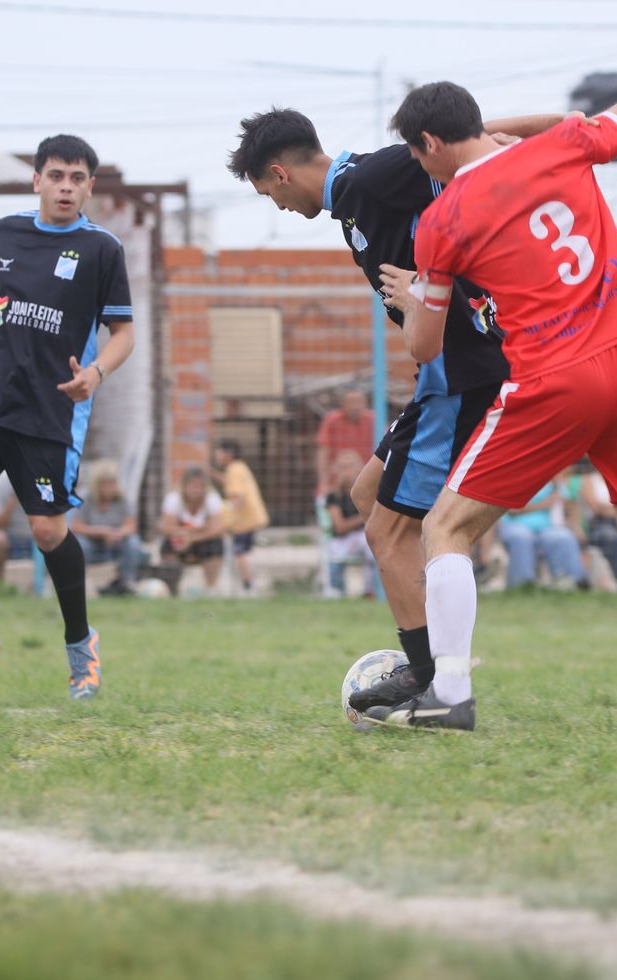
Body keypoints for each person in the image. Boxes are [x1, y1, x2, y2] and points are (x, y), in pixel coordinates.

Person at [376, 81, 617, 729]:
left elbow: (426, 344)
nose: (419, 169)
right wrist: (517, 127)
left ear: (433, 143)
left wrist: (414, 295)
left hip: (557, 377)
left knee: (445, 527)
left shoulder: (441, 220)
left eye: (418, 156)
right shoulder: (563, 146)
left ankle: (449, 693)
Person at [229, 105, 527, 708]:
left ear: (281, 173)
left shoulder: (367, 178)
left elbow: (475, 142)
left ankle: (432, 680)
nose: (277, 207)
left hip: (460, 377)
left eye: (268, 193)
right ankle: (440, 624)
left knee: (387, 532)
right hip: (438, 378)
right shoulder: (353, 204)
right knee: (368, 495)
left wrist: (566, 129)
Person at [0, 133, 134, 701]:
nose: (67, 187)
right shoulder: (5, 233)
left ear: (89, 187)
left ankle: (80, 647)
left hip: (52, 411)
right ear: (36, 179)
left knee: (46, 531)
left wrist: (96, 375)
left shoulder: (101, 250)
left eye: (79, 178)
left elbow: (124, 333)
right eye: (57, 175)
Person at [495, 480, 589, 590]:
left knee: (563, 536)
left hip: (548, 528)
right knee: (521, 537)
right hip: (515, 524)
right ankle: (522, 585)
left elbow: (570, 506)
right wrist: (542, 505)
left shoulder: (555, 484)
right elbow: (510, 509)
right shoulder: (515, 482)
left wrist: (575, 524)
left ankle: (572, 582)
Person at [70, 459, 145, 595]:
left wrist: (117, 533)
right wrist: (101, 532)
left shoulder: (123, 499)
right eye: (105, 484)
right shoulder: (85, 497)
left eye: (112, 483)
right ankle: (80, 583)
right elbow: (76, 526)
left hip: (116, 542)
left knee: (133, 542)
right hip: (91, 542)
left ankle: (127, 582)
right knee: (80, 544)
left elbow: (131, 525)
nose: (109, 488)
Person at [211, 440, 268, 596]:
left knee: (240, 553)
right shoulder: (238, 467)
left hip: (244, 520)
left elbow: (237, 496)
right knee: (244, 552)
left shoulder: (234, 470)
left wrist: (225, 516)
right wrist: (213, 474)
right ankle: (248, 584)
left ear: (228, 454)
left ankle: (248, 585)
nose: (216, 455)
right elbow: (229, 482)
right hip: (253, 517)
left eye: (219, 451)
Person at [159, 466, 228, 592]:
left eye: (200, 485)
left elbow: (219, 529)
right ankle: (171, 587)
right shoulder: (174, 498)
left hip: (202, 542)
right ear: (184, 486)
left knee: (216, 544)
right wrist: (198, 529)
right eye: (192, 485)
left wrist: (191, 538)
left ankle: (211, 588)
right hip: (180, 540)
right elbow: (166, 527)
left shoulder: (212, 498)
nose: (196, 489)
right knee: (168, 544)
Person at [322, 449, 378, 597]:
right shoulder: (334, 496)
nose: (346, 472)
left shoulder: (369, 492)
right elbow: (340, 527)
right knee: (334, 550)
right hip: (343, 539)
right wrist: (364, 515)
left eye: (350, 466)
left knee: (372, 548)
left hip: (365, 536)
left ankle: (371, 591)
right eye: (342, 467)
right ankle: (336, 591)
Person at [314, 389, 376, 497]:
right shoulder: (332, 420)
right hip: (337, 481)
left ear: (365, 403)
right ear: (342, 404)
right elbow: (323, 452)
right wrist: (323, 483)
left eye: (359, 402)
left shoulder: (374, 420)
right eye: (351, 402)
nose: (355, 407)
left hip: (365, 480)